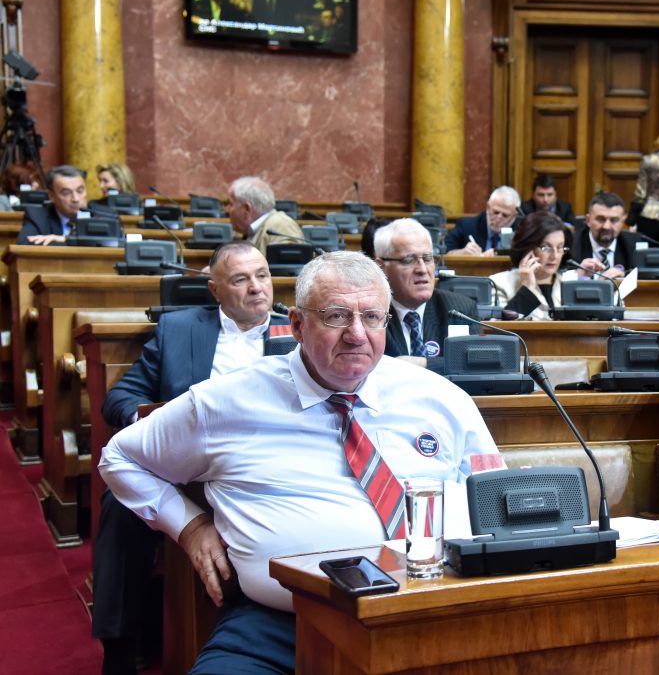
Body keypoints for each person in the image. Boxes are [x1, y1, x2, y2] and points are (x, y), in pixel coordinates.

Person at [99, 251, 501, 673]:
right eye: (336, 317)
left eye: (372, 318)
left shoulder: (442, 398)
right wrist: (190, 526)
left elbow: (494, 495)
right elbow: (120, 457)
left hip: (441, 611)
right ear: (295, 325)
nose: (357, 335)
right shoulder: (225, 402)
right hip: (282, 626)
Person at [94, 242, 290, 674]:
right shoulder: (179, 329)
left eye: (263, 275)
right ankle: (120, 646)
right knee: (120, 503)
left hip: (263, 466)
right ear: (214, 289)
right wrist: (154, 420)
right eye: (241, 279)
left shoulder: (294, 332)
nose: (257, 288)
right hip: (187, 467)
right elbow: (120, 397)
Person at [374, 218, 481, 371]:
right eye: (409, 260)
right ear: (382, 267)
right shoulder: (370, 313)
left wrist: (423, 364)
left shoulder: (460, 310)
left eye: (428, 258)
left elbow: (476, 365)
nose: (423, 270)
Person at [489, 211, 576, 320]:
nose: (555, 256)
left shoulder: (570, 285)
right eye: (546, 247)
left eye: (560, 247)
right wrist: (527, 290)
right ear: (527, 248)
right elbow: (498, 330)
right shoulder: (499, 284)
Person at [225, 176, 304, 254]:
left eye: (231, 204)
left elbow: (287, 266)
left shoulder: (282, 227)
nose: (227, 210)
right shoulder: (251, 230)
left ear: (247, 209)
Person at [570, 191, 639, 279]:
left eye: (614, 220)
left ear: (622, 221)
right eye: (600, 219)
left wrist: (624, 278)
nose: (606, 226)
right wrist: (578, 275)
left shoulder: (634, 244)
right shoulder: (571, 244)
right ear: (588, 220)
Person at [16, 164, 87, 245]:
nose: (76, 199)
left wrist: (65, 239)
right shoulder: (38, 217)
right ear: (51, 196)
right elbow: (24, 245)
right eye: (66, 193)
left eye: (80, 191)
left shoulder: (98, 214)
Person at [445, 185, 521, 256]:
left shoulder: (521, 230)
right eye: (496, 212)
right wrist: (461, 253)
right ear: (488, 207)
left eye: (505, 215)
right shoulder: (467, 226)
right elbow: (444, 252)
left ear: (514, 215)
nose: (499, 218)